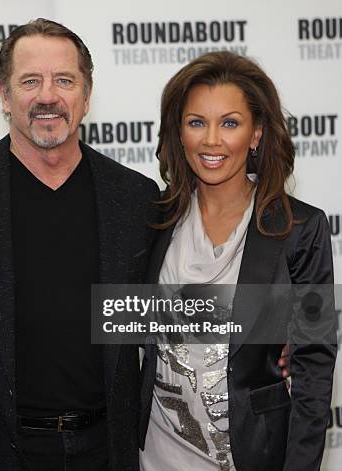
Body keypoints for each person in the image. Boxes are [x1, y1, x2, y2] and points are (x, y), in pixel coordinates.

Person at [0, 18, 160, 470]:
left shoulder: (136, 199)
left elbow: (173, 308)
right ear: (4, 95)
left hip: (109, 450)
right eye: (30, 81)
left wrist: (275, 335)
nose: (47, 96)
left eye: (64, 80)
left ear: (86, 94)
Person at [138, 51, 336, 471]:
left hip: (252, 455)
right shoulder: (153, 220)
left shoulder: (301, 228)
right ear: (179, 132)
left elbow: (314, 366)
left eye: (229, 123)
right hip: (154, 455)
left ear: (257, 133)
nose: (211, 140)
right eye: (196, 122)